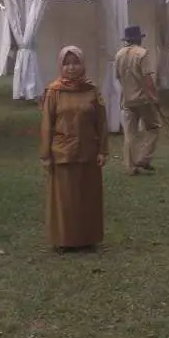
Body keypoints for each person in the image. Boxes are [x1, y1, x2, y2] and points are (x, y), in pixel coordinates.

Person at [38, 46, 108, 252]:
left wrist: (103, 150)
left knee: (88, 198)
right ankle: (64, 241)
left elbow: (101, 122)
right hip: (63, 154)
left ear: (83, 64)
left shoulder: (91, 90)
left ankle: (88, 238)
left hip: (88, 152)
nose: (71, 68)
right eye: (66, 63)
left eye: (75, 62)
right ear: (61, 65)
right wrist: (45, 155)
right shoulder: (54, 91)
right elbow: (46, 124)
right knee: (64, 201)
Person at [114, 25, 161, 175]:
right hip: (143, 99)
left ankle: (130, 166)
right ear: (139, 38)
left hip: (127, 99)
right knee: (154, 127)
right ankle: (143, 158)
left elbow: (118, 77)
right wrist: (154, 97)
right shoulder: (142, 53)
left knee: (130, 134)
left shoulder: (119, 54)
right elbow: (147, 79)